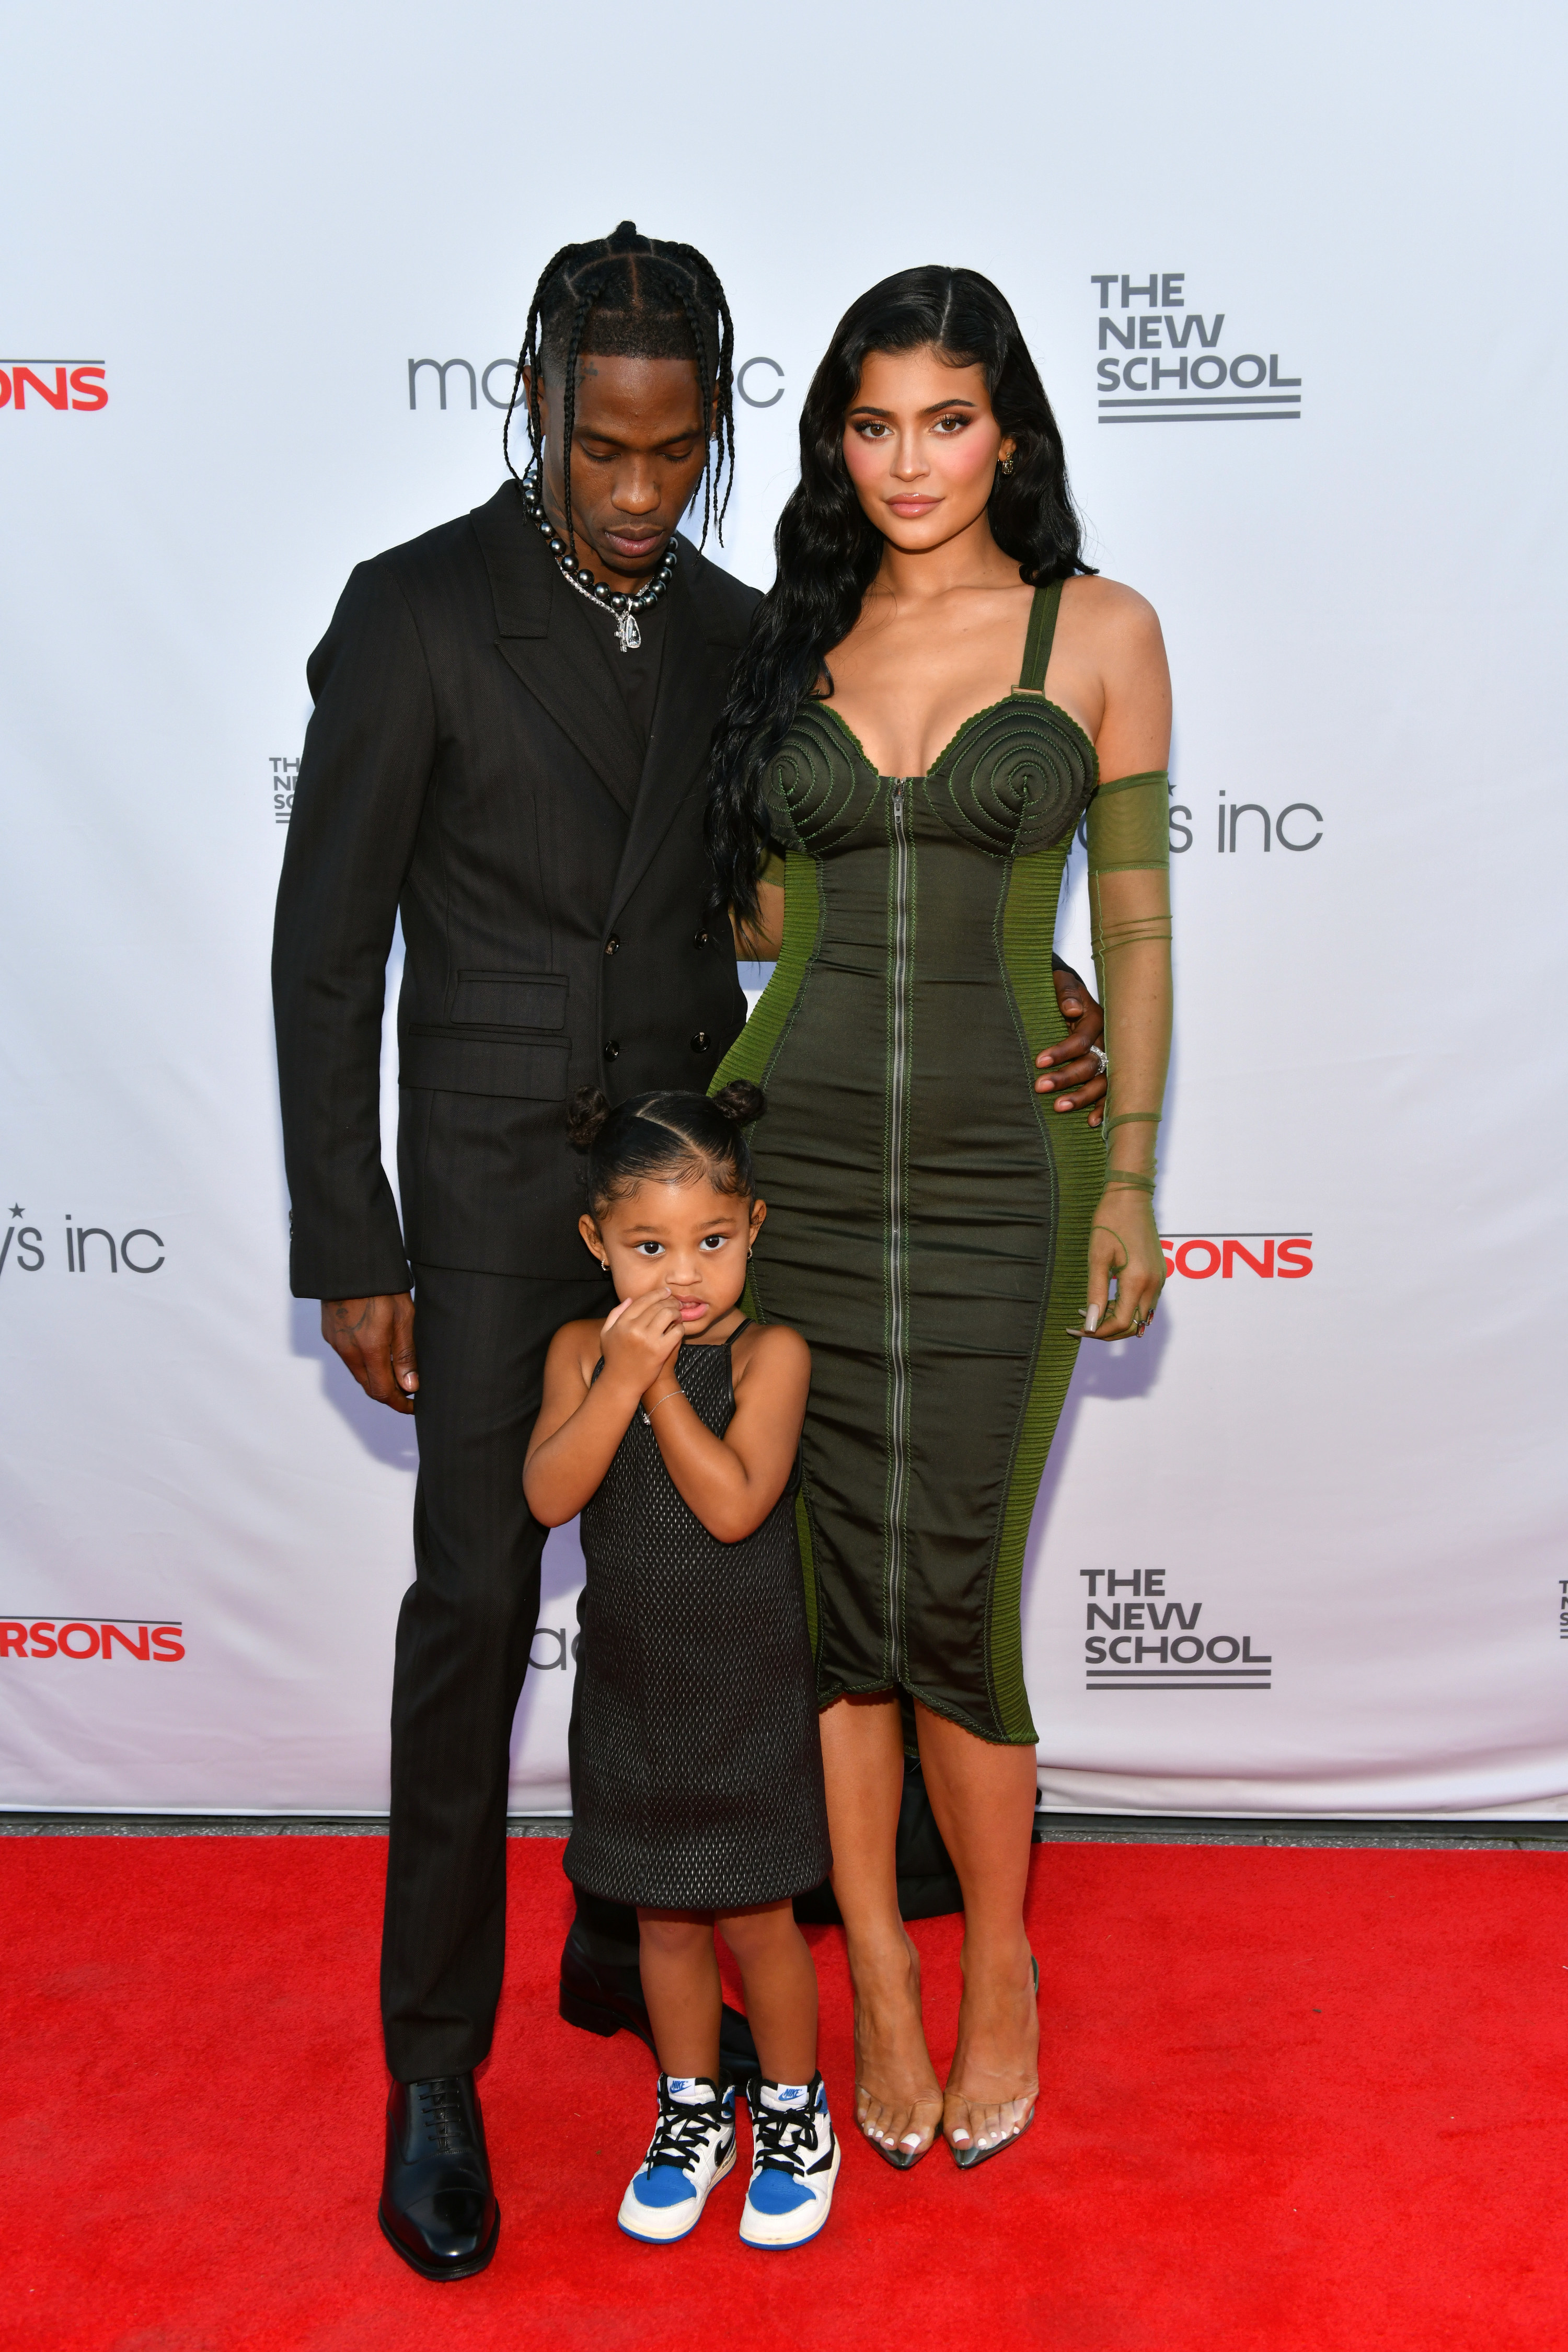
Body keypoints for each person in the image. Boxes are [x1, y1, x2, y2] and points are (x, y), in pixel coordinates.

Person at [272, 221, 1106, 2278]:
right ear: (536, 408)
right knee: (476, 1608)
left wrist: (1040, 989)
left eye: (671, 455)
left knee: (719, 1593)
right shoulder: (412, 616)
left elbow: (789, 906)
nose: (637, 496)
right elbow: (326, 950)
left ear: (715, 435)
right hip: (477, 1203)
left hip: (709, 1205)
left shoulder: (749, 632)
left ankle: (644, 1928)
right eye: (600, 452)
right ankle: (434, 2074)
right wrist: (347, 1230)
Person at [707, 266, 1173, 2173]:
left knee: (960, 1597)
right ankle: (878, 1973)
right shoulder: (785, 647)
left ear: (1012, 433)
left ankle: (1000, 1961)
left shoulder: (1102, 629)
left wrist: (1130, 1160)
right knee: (829, 1610)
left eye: (950, 421)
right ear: (837, 439)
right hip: (791, 1162)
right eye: (875, 423)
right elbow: (753, 920)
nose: (912, 461)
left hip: (1011, 1182)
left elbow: (1134, 923)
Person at [524, 1082, 838, 2250]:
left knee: (762, 1922)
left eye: (711, 1242)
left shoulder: (773, 1352)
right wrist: (615, 1378)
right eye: (648, 1248)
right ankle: (692, 2113)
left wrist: (653, 1381)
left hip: (746, 1695)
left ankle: (796, 2116)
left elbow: (735, 1506)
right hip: (637, 1695)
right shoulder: (575, 1351)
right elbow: (550, 1494)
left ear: (754, 1228)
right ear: (596, 1243)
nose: (682, 1276)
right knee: (663, 1924)